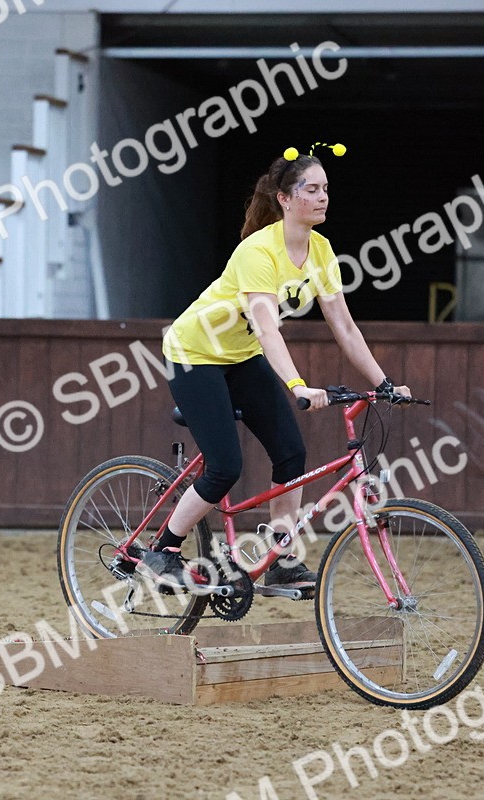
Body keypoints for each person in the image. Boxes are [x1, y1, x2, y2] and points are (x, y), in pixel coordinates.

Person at [140, 144, 411, 593]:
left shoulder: (321, 251)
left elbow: (344, 327)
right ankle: (163, 550)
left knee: (290, 454)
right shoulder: (258, 252)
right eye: (312, 189)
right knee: (225, 466)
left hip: (240, 356)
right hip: (196, 353)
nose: (322, 197)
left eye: (326, 189)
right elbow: (267, 329)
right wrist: (298, 385)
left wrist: (384, 384)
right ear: (285, 198)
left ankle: (281, 557)